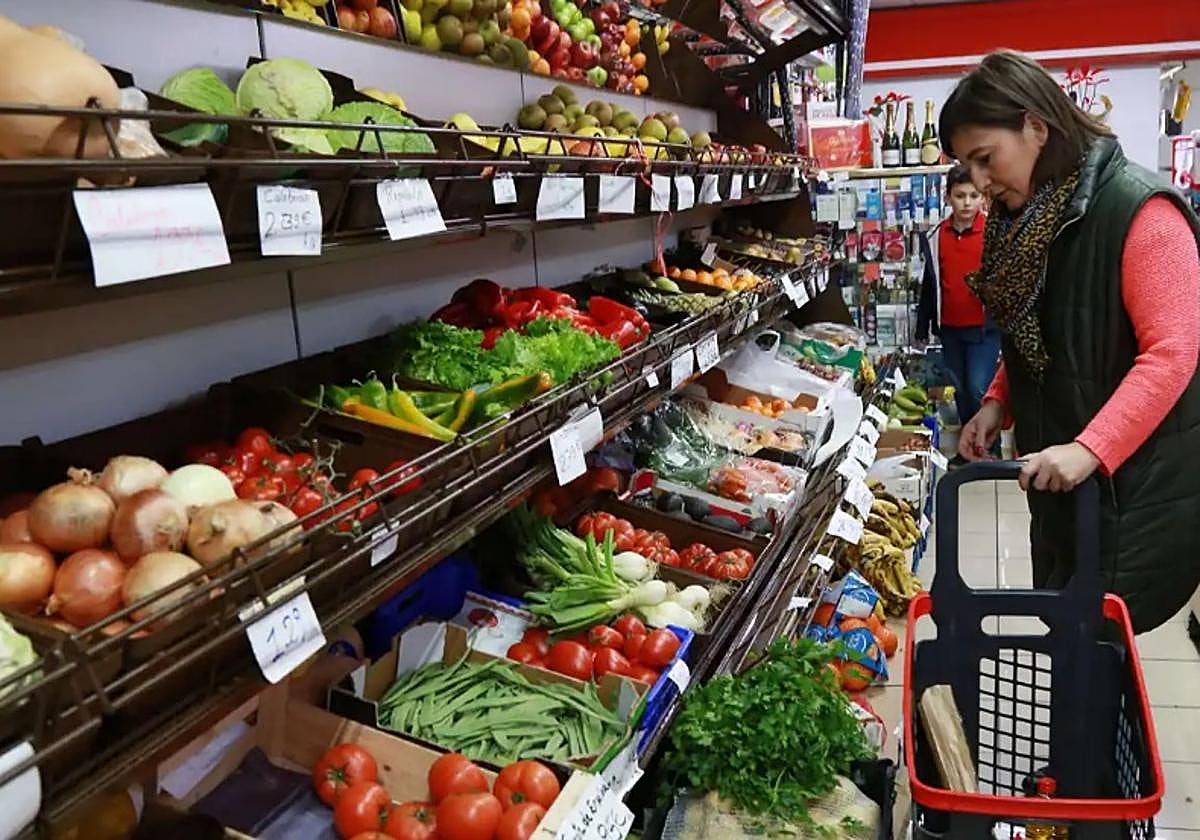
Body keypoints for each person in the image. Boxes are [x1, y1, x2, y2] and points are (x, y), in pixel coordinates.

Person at [942, 49, 1200, 634]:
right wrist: (995, 401)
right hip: (1064, 489)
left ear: (1035, 125)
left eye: (985, 159)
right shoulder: (1034, 218)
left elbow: (1173, 354)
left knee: (1100, 663)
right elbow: (1044, 329)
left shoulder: (1141, 212)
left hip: (1128, 496)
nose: (978, 185)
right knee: (1071, 645)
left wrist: (1090, 450)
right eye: (966, 167)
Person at [914, 164, 1000, 435]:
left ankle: (989, 449)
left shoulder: (993, 233)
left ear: (983, 197)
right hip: (950, 328)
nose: (967, 203)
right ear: (948, 196)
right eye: (960, 195)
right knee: (960, 389)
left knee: (978, 388)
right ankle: (969, 444)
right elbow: (930, 285)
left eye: (973, 196)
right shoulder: (935, 236)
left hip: (984, 328)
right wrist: (922, 327)